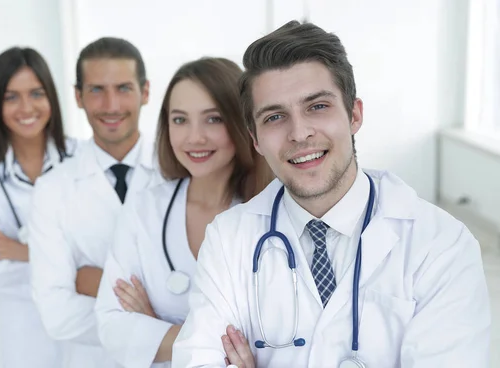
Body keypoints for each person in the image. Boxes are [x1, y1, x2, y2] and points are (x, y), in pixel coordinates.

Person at [172, 21, 491, 368]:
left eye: (317, 106)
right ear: (256, 141)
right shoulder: (228, 239)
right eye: (275, 116)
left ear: (354, 115)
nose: (299, 133)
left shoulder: (441, 245)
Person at [94, 57, 273, 367]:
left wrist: (154, 327)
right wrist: (211, 342)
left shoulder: (273, 215)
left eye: (213, 119)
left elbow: (278, 339)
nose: (194, 137)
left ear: (242, 121)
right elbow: (112, 327)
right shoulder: (144, 209)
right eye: (180, 120)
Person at [27, 37, 162, 368]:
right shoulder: (51, 189)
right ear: (78, 97)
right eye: (97, 90)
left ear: (145, 92)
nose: (111, 105)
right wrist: (156, 318)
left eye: (124, 88)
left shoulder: (179, 173)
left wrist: (94, 284)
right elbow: (56, 313)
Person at [0, 47, 78, 368]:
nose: (25, 107)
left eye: (36, 93)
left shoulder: (82, 159)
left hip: (85, 319)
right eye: (11, 97)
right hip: (25, 324)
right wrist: (72, 264)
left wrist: (24, 250)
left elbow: (104, 252)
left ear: (51, 98)